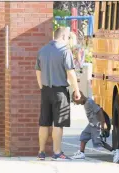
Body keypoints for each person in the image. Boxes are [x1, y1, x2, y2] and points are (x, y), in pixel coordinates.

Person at [35, 27, 81, 160]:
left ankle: (41, 152)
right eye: (67, 37)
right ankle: (57, 152)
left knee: (44, 123)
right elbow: (70, 73)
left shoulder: (42, 50)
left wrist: (41, 87)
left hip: (45, 91)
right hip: (60, 91)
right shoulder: (64, 51)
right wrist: (76, 90)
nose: (68, 40)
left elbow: (38, 71)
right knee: (58, 123)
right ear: (63, 36)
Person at [70, 91, 119, 163]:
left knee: (98, 142)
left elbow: (99, 111)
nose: (76, 103)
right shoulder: (86, 103)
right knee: (83, 135)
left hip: (96, 124)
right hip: (91, 124)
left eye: (76, 101)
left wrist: (103, 124)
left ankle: (115, 151)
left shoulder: (89, 102)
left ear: (79, 97)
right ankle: (81, 153)